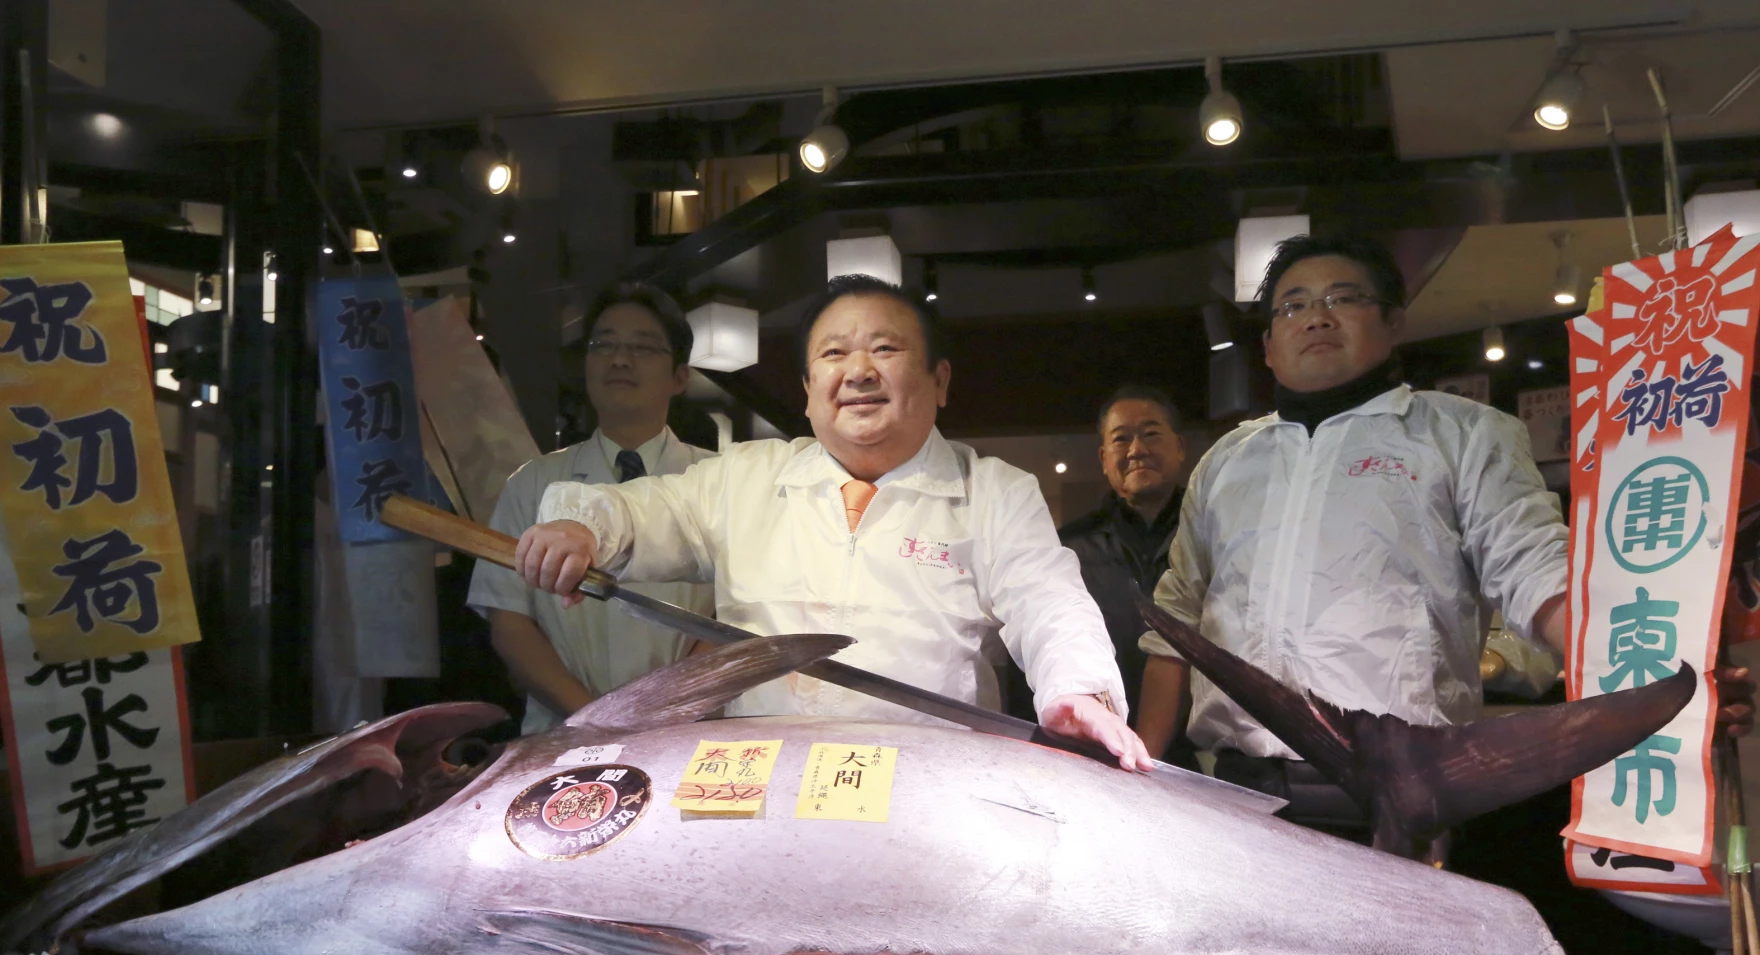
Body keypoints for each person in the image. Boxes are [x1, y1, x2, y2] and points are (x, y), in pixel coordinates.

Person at [1133, 232, 1751, 823]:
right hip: (1238, 788)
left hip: (1398, 789)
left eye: (1342, 298)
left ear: (1394, 321)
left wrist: (1659, 684)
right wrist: (1143, 768)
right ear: (1268, 344)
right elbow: (1174, 625)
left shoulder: (1463, 433)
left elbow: (1534, 574)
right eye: (1293, 306)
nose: (1316, 317)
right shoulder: (1227, 461)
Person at [514, 273, 1151, 769]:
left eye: (885, 348)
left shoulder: (994, 490)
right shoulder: (746, 476)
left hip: (928, 780)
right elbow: (647, 509)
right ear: (809, 387)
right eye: (834, 352)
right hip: (757, 775)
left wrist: (1077, 692)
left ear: (940, 380)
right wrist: (583, 527)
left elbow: (1047, 598)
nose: (859, 370)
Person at [466, 281, 716, 733]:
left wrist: (666, 713)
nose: (620, 359)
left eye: (643, 347)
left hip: (686, 731)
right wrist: (595, 719)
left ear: (680, 376)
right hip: (562, 732)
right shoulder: (532, 483)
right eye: (605, 344)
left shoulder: (719, 479)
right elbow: (509, 622)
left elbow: (733, 617)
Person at [1059, 385, 1186, 717]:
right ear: (1104, 459)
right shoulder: (1068, 548)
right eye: (1121, 439)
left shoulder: (1213, 536)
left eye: (1151, 434)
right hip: (1098, 736)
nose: (1137, 449)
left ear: (1180, 447)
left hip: (1205, 748)